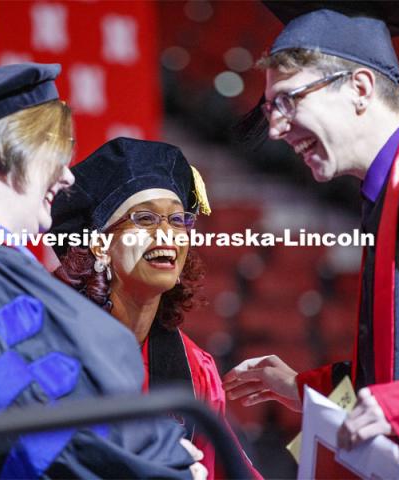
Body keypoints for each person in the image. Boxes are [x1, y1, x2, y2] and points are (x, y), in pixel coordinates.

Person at [0, 63, 207, 479]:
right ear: (11, 153)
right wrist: (161, 469)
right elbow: (32, 433)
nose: (67, 176)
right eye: (57, 158)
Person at [223, 3, 399, 452]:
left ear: (360, 88)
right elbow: (388, 371)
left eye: (287, 100)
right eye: (269, 110)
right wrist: (302, 388)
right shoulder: (384, 196)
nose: (275, 130)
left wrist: (397, 407)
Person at [50, 137, 262, 479]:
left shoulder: (194, 370)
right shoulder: (48, 342)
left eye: (178, 221)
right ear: (100, 245)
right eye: (146, 219)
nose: (167, 235)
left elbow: (226, 471)